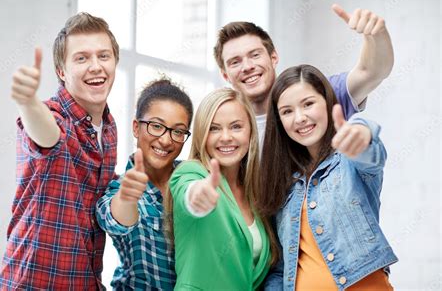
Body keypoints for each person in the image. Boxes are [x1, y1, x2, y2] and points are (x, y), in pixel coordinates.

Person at [0, 13, 119, 290]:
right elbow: (48, 135)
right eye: (82, 58)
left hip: (84, 281)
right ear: (62, 72)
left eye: (104, 56)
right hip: (33, 282)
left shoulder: (109, 128)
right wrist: (27, 103)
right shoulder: (54, 115)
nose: (96, 67)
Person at [257, 64, 398, 290]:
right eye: (287, 111)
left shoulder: (349, 161)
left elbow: (371, 153)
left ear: (327, 102)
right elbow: (282, 267)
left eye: (308, 104)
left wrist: (362, 132)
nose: (300, 118)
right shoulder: (284, 184)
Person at [214, 5, 394, 144]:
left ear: (274, 57)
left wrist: (376, 36)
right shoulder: (229, 132)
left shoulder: (319, 95)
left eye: (255, 55)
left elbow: (371, 72)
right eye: (235, 62)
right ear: (225, 76)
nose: (247, 66)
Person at [168, 88, 280, 290]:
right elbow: (188, 191)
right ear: (203, 133)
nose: (226, 137)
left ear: (251, 132)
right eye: (214, 128)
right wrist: (198, 197)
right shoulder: (191, 172)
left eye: (236, 127)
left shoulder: (254, 192)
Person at [96, 78, 193, 290]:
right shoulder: (119, 187)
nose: (166, 140)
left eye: (177, 131)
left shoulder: (193, 179)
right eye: (156, 126)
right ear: (136, 127)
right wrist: (127, 198)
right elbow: (114, 219)